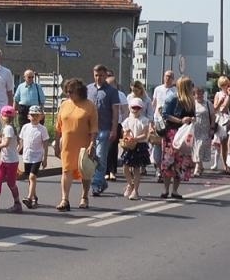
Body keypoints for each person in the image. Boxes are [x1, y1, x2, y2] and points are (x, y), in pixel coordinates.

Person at [54, 77, 96, 210]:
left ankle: (84, 197)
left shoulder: (89, 105)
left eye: (71, 92)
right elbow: (58, 126)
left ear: (80, 91)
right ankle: (64, 199)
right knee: (66, 170)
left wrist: (92, 144)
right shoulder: (65, 104)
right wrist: (56, 143)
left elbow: (94, 127)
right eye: (67, 91)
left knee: (84, 171)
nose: (69, 94)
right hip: (67, 143)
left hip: (84, 143)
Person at [85, 65, 125, 196]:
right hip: (90, 130)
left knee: (101, 157)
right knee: (91, 157)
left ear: (105, 76)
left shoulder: (112, 91)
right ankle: (102, 181)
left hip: (104, 129)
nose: (98, 78)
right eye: (96, 75)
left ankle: (96, 185)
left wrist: (114, 129)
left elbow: (115, 111)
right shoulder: (88, 89)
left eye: (101, 75)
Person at [158, 76, 198, 198]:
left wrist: (191, 119)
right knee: (169, 161)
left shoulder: (191, 101)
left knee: (180, 162)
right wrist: (181, 120)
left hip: (185, 133)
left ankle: (175, 190)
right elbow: (165, 114)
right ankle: (165, 189)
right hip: (172, 133)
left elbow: (194, 116)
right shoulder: (173, 99)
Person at [0, 104, 24, 213]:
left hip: (11, 161)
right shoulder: (9, 128)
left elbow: (6, 143)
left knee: (11, 183)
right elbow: (11, 141)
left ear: (2, 117)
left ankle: (17, 203)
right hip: (5, 160)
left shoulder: (8, 128)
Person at [119, 97, 155, 199]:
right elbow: (124, 133)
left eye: (137, 108)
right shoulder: (127, 121)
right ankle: (130, 185)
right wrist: (127, 136)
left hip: (140, 145)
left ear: (141, 109)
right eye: (133, 107)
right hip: (129, 145)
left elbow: (144, 135)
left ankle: (135, 191)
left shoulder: (144, 120)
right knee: (125, 167)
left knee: (136, 169)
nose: (135, 110)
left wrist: (135, 138)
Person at [20, 104, 49, 208]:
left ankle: (29, 198)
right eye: (32, 115)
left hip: (37, 156)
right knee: (30, 178)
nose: (34, 117)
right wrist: (18, 150)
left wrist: (45, 158)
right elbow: (22, 140)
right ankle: (34, 196)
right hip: (27, 156)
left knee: (32, 176)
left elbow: (45, 144)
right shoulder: (25, 127)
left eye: (37, 115)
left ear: (41, 116)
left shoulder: (42, 129)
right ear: (28, 116)